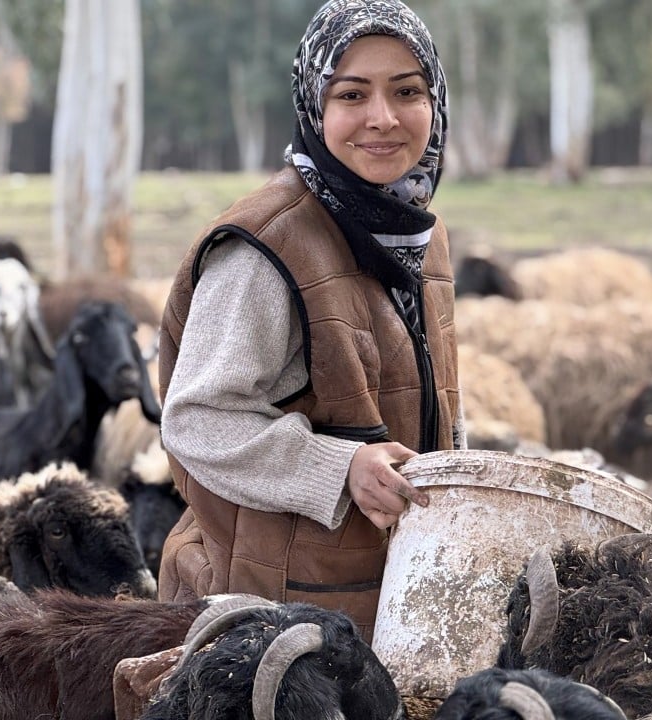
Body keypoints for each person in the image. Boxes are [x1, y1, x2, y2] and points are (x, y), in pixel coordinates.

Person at [157, 0, 463, 640]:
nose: (383, 118)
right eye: (352, 94)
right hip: (269, 615)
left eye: (407, 91)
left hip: (391, 597)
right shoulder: (265, 248)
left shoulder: (417, 235)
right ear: (314, 105)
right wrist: (341, 468)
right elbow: (197, 419)